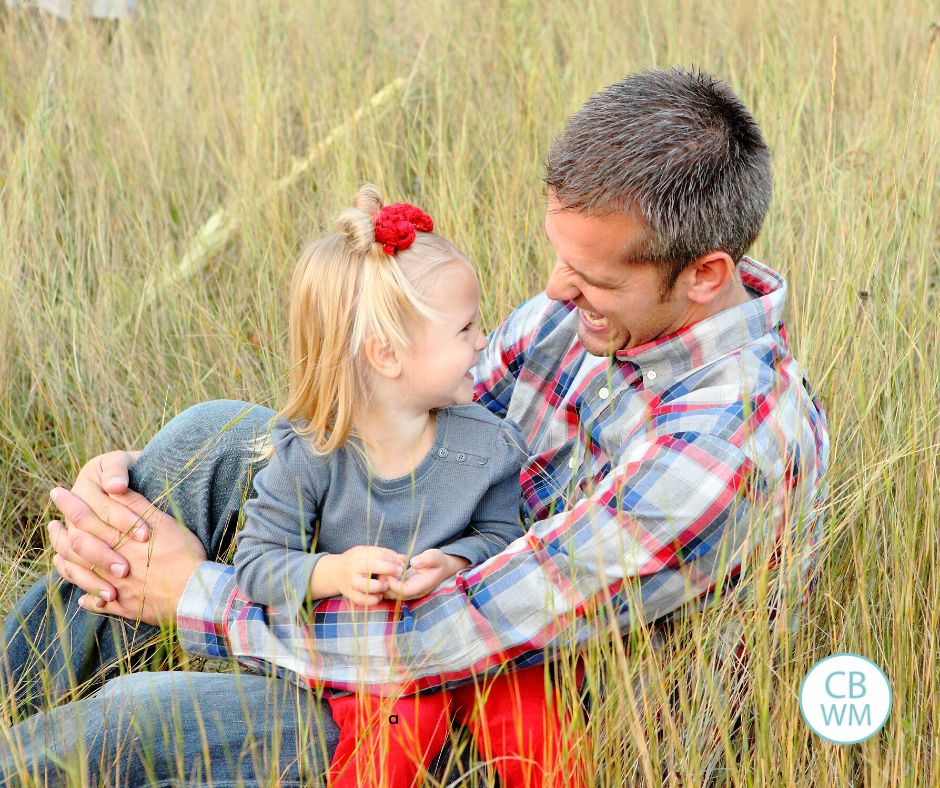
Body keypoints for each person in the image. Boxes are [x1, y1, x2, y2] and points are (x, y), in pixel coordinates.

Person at [1, 66, 829, 785]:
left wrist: (192, 593)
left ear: (705, 274)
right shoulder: (586, 314)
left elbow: (447, 637)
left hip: (508, 708)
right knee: (203, 444)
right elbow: (401, 429)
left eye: (590, 275)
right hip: (419, 582)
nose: (554, 289)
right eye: (559, 257)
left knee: (130, 723)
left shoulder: (728, 444)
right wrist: (148, 496)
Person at [232, 185, 585, 787]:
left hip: (477, 642)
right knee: (393, 738)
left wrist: (454, 560)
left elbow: (503, 531)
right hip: (373, 656)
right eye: (466, 328)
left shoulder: (486, 443)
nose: (483, 341)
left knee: (536, 723)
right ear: (387, 355)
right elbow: (257, 564)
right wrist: (335, 573)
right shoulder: (314, 453)